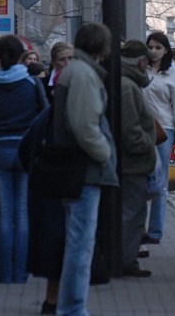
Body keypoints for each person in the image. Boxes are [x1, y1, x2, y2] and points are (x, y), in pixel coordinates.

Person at [54, 23, 118, 316]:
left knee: (77, 241)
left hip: (75, 168)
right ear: (101, 46)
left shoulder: (77, 71)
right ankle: (73, 308)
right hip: (84, 169)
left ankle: (71, 306)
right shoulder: (83, 74)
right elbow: (84, 126)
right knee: (81, 243)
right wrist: (105, 154)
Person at [0, 35, 48, 283]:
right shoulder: (30, 83)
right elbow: (44, 113)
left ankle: (3, 273)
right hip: (26, 149)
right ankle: (20, 273)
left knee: (5, 214)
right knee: (22, 213)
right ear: (20, 55)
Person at [142, 31, 175, 244]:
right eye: (151, 47)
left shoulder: (173, 74)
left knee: (159, 182)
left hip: (163, 131)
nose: (153, 51)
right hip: (140, 130)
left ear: (165, 50)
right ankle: (137, 228)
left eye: (158, 47)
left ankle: (155, 231)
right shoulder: (140, 70)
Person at [119, 40, 157, 277]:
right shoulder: (127, 87)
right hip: (132, 162)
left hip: (133, 162)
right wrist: (148, 146)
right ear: (141, 62)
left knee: (134, 213)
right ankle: (124, 261)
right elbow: (129, 129)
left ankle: (127, 259)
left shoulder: (129, 84)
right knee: (131, 214)